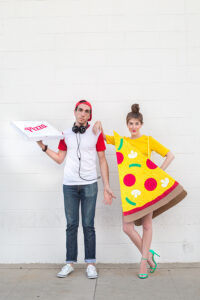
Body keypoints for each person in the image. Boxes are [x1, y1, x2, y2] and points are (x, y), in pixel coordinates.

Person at [93, 104, 176, 279]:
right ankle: (149, 255)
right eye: (130, 123)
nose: (133, 127)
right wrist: (99, 123)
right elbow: (105, 138)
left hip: (147, 190)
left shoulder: (148, 140)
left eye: (136, 123)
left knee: (146, 225)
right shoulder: (123, 141)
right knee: (127, 227)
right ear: (127, 124)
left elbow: (170, 155)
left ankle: (143, 262)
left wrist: (158, 172)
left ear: (141, 124)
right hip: (130, 191)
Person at [37, 100, 115, 279]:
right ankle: (69, 263)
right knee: (71, 225)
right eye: (80, 110)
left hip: (90, 185)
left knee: (88, 225)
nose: (83, 113)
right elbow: (59, 158)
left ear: (90, 115)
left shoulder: (96, 133)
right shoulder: (65, 134)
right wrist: (43, 147)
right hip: (69, 185)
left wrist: (107, 186)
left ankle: (90, 264)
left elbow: (102, 160)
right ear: (75, 112)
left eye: (87, 111)